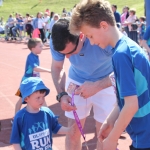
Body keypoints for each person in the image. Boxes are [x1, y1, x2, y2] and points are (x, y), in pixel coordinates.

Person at [69, 0, 150, 150]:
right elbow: (130, 96)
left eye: (91, 36)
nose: (91, 43)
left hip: (144, 136)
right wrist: (110, 121)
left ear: (104, 26)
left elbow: (131, 105)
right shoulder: (126, 47)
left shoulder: (120, 55)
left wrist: (113, 139)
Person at [50, 18, 116, 150]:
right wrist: (61, 94)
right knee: (73, 132)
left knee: (104, 133)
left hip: (106, 82)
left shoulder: (105, 39)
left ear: (82, 36)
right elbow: (57, 68)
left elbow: (123, 71)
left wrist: (97, 86)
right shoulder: (58, 40)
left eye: (71, 52)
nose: (68, 58)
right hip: (77, 81)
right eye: (63, 54)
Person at [10, 77, 76, 150]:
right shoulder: (20, 117)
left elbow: (55, 127)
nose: (41, 100)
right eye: (38, 97)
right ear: (26, 98)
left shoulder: (47, 112)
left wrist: (68, 130)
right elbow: (15, 140)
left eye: (43, 97)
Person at [12, 38, 51, 124]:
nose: (42, 47)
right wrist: (49, 70)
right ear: (33, 48)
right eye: (40, 46)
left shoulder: (36, 56)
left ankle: (49, 116)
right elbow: (35, 68)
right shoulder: (31, 57)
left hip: (34, 82)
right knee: (21, 99)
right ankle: (16, 118)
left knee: (41, 97)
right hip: (26, 82)